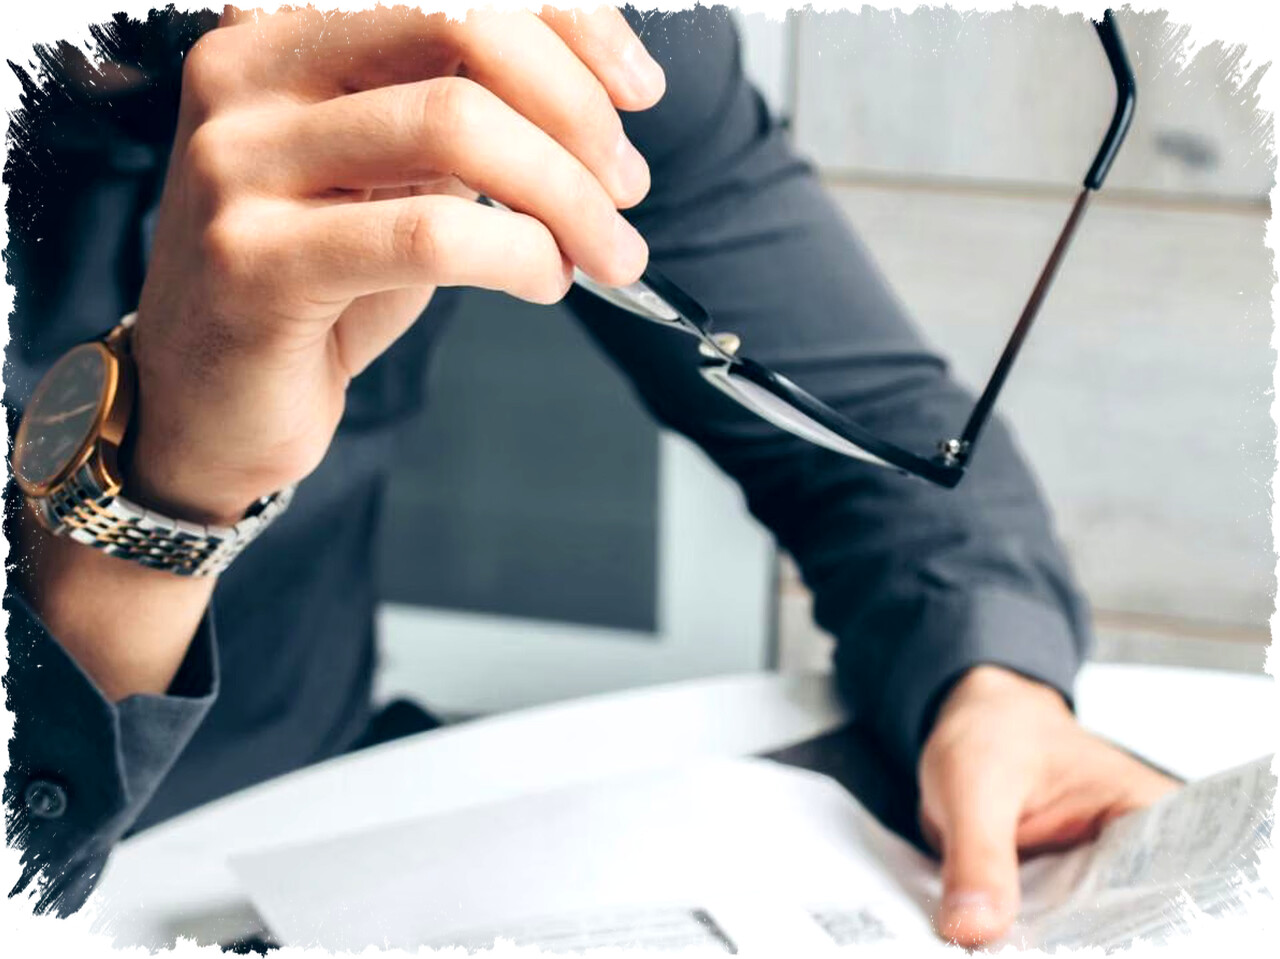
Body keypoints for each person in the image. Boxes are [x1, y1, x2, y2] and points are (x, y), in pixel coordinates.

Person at [4, 5, 1177, 946]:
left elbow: (893, 452)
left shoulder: (541, 34)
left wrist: (990, 684)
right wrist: (171, 478)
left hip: (314, 849)